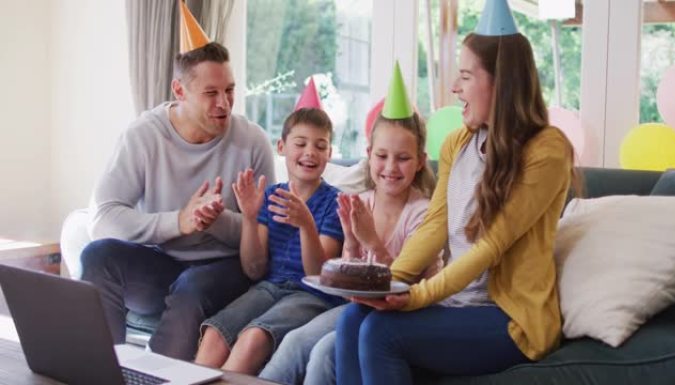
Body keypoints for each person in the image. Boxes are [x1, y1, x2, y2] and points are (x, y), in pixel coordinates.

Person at [335, 0, 580, 384]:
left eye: (465, 76)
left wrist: (414, 296)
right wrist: (387, 284)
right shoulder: (456, 144)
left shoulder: (547, 150)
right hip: (458, 303)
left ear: (500, 81)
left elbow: (490, 246)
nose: (454, 87)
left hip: (509, 318)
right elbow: (435, 225)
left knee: (381, 333)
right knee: (353, 319)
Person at [80, 2, 275, 361]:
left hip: (225, 269)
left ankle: (156, 378)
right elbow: (102, 218)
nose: (224, 103)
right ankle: (103, 369)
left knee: (192, 287)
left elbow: (265, 244)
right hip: (161, 262)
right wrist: (179, 221)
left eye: (230, 90)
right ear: (180, 91)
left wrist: (216, 221)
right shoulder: (144, 135)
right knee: (97, 256)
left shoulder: (253, 142)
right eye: (211, 93)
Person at [259, 63, 441, 385]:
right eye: (382, 156)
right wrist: (352, 242)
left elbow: (405, 286)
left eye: (402, 158)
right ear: (369, 155)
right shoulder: (362, 202)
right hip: (356, 307)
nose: (390, 168)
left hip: (403, 314)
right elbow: (349, 278)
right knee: (294, 344)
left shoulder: (423, 213)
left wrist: (371, 241)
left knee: (324, 355)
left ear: (420, 162)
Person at [194, 101, 345, 375]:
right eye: (300, 144)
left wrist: (306, 225)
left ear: (329, 154)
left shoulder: (335, 202)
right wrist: (250, 218)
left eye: (320, 146)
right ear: (281, 147)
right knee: (215, 334)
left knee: (253, 337)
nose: (310, 152)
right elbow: (254, 270)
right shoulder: (270, 195)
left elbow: (319, 277)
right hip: (269, 287)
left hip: (310, 295)